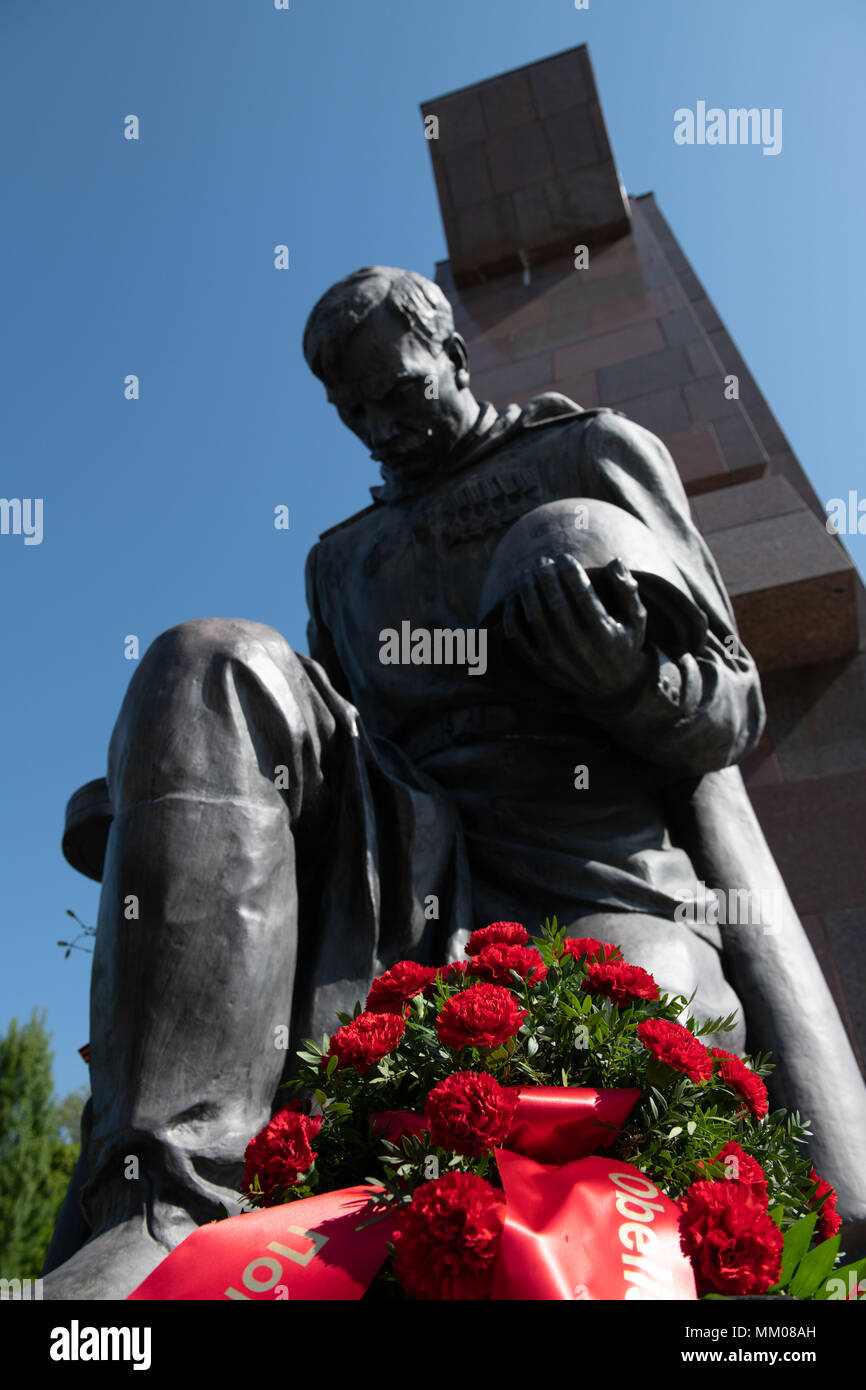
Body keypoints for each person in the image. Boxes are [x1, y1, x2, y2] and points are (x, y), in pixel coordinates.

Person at [43, 267, 866, 1299]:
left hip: (592, 872)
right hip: (401, 871)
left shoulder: (585, 451)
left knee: (601, 1052)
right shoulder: (339, 560)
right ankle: (163, 1204)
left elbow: (729, 702)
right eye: (356, 413)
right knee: (204, 656)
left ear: (451, 353)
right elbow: (336, 747)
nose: (383, 426)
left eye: (399, 390)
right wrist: (178, 778)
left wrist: (626, 674)